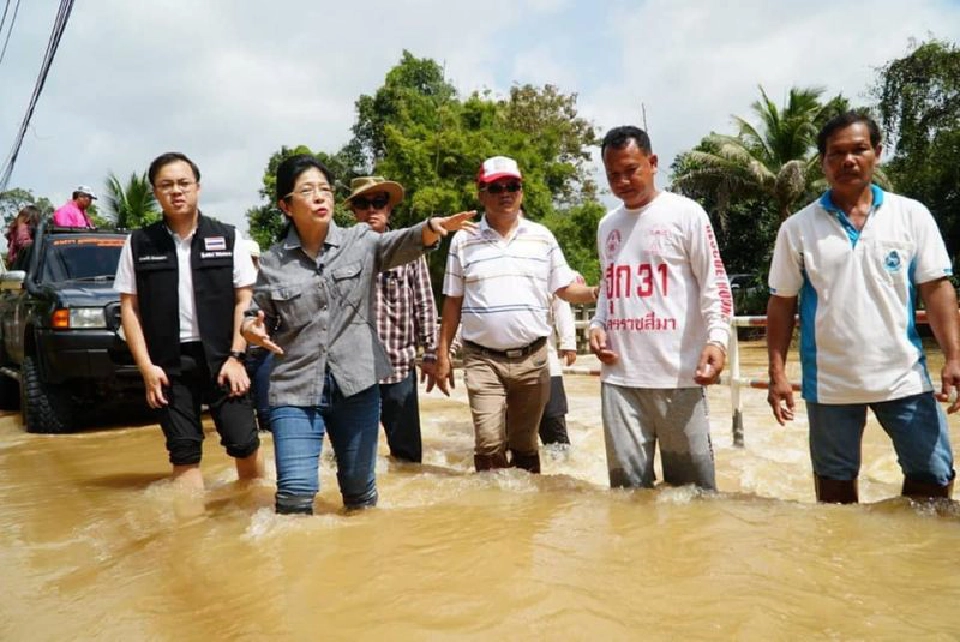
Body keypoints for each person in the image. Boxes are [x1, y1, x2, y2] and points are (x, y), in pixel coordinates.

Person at [241, 155, 475, 515]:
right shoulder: (273, 262)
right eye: (307, 190)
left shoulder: (361, 240)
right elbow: (257, 315)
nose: (320, 197)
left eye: (325, 190)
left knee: (360, 496)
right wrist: (249, 327)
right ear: (286, 206)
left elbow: (400, 243)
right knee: (295, 494)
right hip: (295, 388)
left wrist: (431, 228)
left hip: (357, 385)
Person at [766, 111, 958, 504]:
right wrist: (777, 373)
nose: (848, 160)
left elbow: (936, 288)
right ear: (823, 162)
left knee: (935, 476)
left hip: (903, 377)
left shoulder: (911, 215)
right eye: (836, 153)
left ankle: (910, 559)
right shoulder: (799, 228)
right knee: (834, 492)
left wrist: (954, 356)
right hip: (830, 383)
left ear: (878, 153)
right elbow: (782, 302)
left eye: (859, 150)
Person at [588, 126, 733, 491]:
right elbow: (609, 287)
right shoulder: (608, 226)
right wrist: (597, 324)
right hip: (619, 380)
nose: (622, 181)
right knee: (626, 496)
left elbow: (714, 283)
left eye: (631, 170)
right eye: (613, 175)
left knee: (694, 497)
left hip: (679, 377)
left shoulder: (686, 214)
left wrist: (717, 341)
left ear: (652, 163)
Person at [434, 155, 599, 474]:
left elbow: (564, 289)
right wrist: (442, 354)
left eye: (513, 186)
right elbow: (452, 302)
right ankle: (492, 515)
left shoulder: (542, 237)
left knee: (525, 444)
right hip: (483, 360)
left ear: (522, 191)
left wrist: (595, 292)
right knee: (488, 442)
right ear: (481, 193)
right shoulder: (463, 240)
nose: (505, 193)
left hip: (533, 360)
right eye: (496, 187)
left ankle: (525, 515)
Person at [116, 152, 262, 491]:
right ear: (155, 192)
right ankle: (192, 532)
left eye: (184, 183)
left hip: (224, 359)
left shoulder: (228, 237)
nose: (176, 191)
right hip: (168, 364)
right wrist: (147, 369)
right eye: (166, 185)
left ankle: (251, 523)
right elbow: (130, 309)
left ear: (197, 187)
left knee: (244, 443)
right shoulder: (138, 244)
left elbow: (245, 300)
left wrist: (237, 357)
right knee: (183, 452)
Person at [345, 175, 438, 463]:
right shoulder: (339, 251)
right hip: (353, 370)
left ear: (389, 209)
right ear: (353, 211)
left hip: (398, 367)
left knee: (408, 457)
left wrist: (433, 353)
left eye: (379, 202)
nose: (371, 209)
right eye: (363, 203)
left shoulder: (412, 250)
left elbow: (424, 302)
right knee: (351, 458)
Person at [539, 281, 579, 458]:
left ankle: (562, 474)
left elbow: (561, 303)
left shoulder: (545, 261)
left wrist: (568, 342)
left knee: (555, 429)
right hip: (503, 366)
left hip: (548, 362)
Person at [242, 238, 273, 432]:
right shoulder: (232, 288)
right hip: (240, 356)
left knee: (267, 413)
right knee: (243, 417)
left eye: (252, 260)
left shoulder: (267, 284)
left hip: (265, 354)